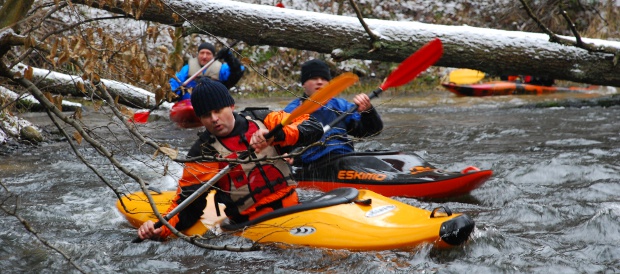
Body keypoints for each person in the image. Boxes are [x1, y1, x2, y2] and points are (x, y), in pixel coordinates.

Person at [137, 79, 323, 241]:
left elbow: (313, 127)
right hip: (251, 225)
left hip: (295, 209)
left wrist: (279, 134)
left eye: (218, 110)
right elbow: (188, 205)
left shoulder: (265, 120)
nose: (214, 119)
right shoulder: (204, 151)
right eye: (206, 115)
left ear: (231, 106)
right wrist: (161, 228)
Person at [283, 59, 383, 165]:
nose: (319, 82)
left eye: (323, 79)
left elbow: (371, 131)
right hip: (314, 165)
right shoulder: (291, 111)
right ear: (304, 84)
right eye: (314, 78)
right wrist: (291, 157)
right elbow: (283, 145)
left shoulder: (341, 106)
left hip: (345, 159)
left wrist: (368, 111)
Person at [169, 42, 245, 100]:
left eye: (208, 53)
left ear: (213, 56)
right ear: (198, 55)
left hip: (214, 101)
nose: (204, 56)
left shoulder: (221, 68)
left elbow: (238, 71)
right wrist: (171, 92)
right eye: (202, 53)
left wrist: (230, 58)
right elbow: (176, 81)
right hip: (190, 101)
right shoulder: (187, 68)